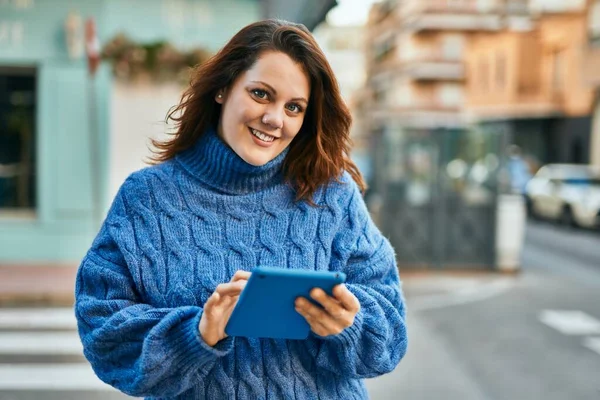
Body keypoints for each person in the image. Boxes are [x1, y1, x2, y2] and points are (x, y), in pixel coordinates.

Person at [74, 19, 407, 399]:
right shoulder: (147, 198)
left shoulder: (332, 195)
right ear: (222, 88)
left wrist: (350, 322)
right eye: (262, 94)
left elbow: (390, 335)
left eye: (294, 107)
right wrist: (199, 332)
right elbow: (103, 332)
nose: (274, 119)